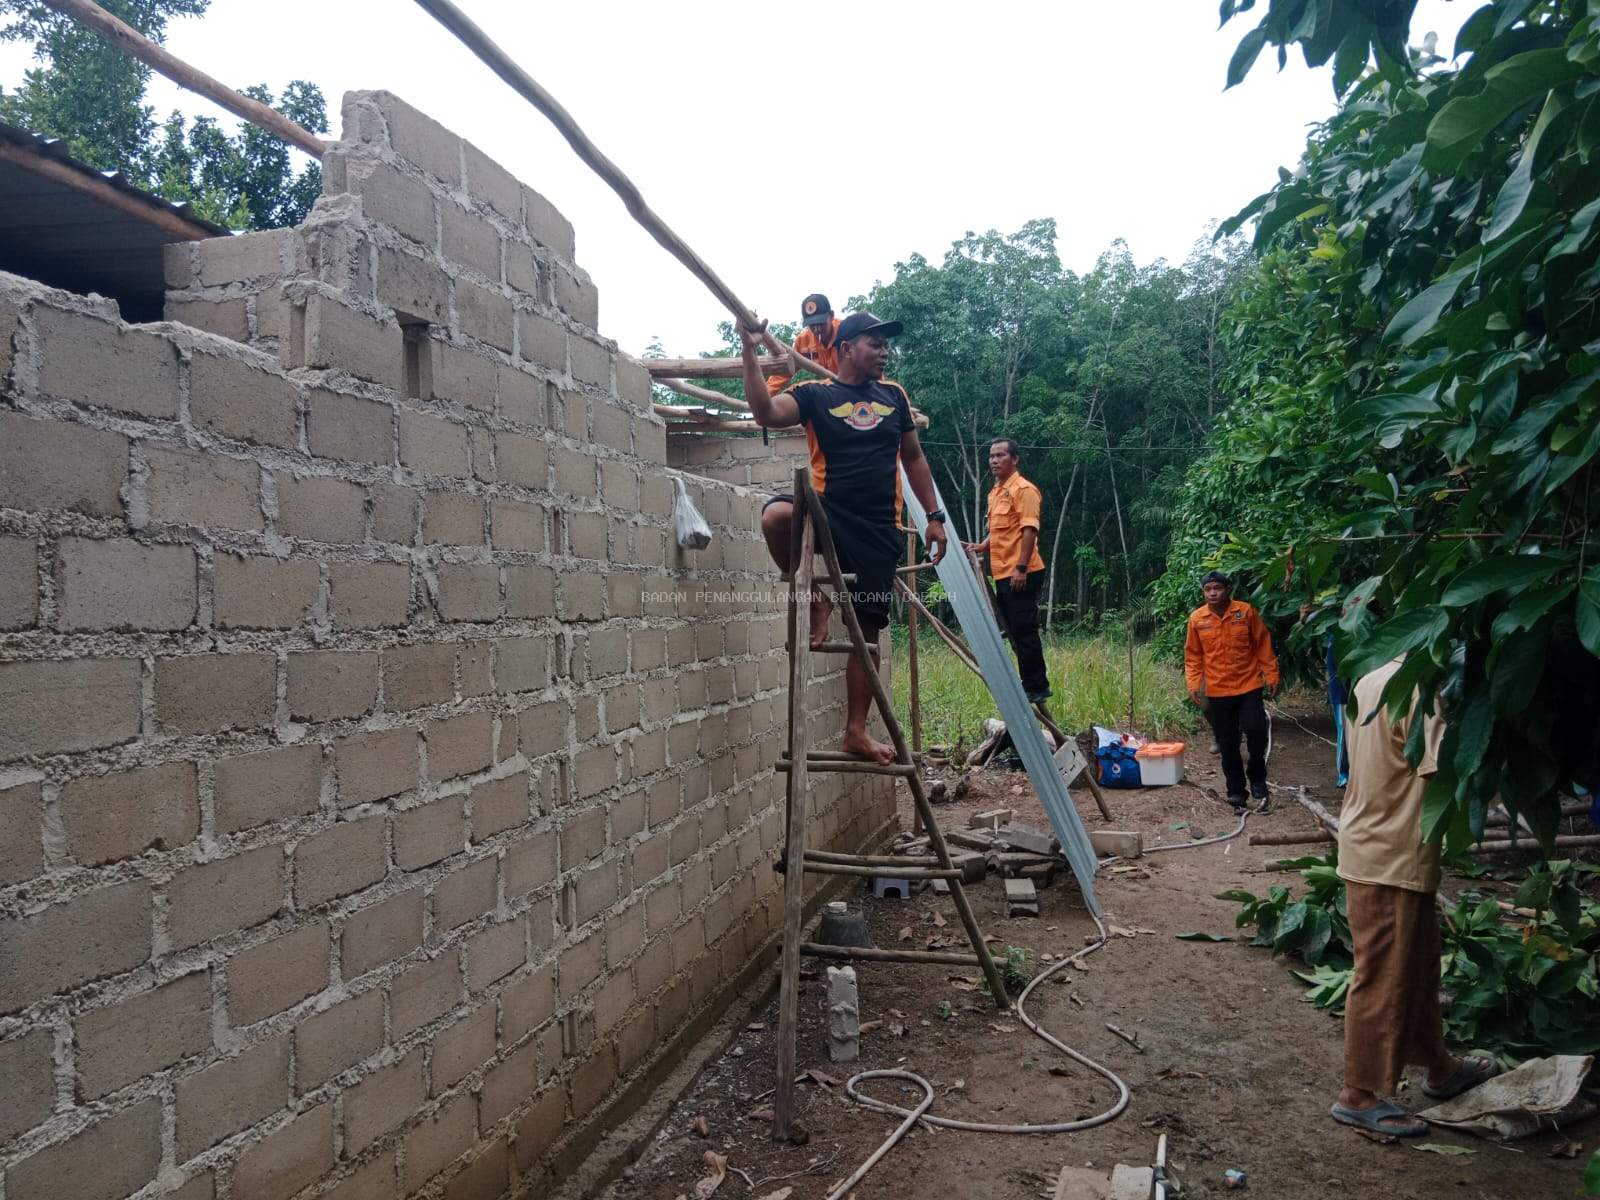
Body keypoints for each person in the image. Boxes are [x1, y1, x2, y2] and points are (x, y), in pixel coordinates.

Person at [741, 311, 947, 766]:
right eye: (875, 343)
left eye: (885, 344)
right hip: (830, 512)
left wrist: (934, 516)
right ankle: (815, 595)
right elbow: (766, 413)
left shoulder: (894, 396)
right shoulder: (816, 395)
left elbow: (913, 459)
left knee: (866, 632)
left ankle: (855, 731)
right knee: (776, 516)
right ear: (848, 347)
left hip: (879, 527)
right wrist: (750, 350)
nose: (884, 351)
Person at [1330, 657, 1499, 1135]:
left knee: (1419, 963)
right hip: (1392, 855)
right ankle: (1357, 1094)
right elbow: (1447, 772)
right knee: (1382, 974)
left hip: (1374, 841)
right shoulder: (1424, 694)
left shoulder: (1371, 678)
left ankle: (1440, 1067)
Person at [1183, 570, 1279, 810]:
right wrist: (1194, 683)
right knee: (1227, 744)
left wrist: (1271, 673)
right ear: (1204, 592)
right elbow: (1193, 655)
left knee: (1256, 730)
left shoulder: (1245, 612)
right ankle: (1236, 791)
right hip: (1217, 689)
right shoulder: (1197, 619)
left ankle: (1257, 778)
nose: (1213, 593)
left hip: (1248, 685)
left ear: (1228, 590)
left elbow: (1263, 643)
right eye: (1208, 589)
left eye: (1217, 588)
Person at [965, 438, 1051, 702]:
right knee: (1013, 628)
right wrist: (983, 546)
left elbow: (1028, 529)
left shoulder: (1024, 490)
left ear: (1014, 460)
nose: (994, 461)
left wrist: (1021, 568)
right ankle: (1027, 682)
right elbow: (1001, 529)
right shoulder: (996, 492)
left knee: (1024, 628)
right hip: (1002, 571)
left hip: (1021, 570)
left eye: (1000, 455)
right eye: (991, 456)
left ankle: (1036, 686)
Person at [765, 293, 841, 396]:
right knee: (798, 392)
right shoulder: (804, 342)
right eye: (812, 325)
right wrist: (764, 396)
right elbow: (786, 369)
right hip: (834, 389)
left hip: (857, 386)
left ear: (831, 315)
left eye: (821, 323)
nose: (817, 329)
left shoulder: (847, 332)